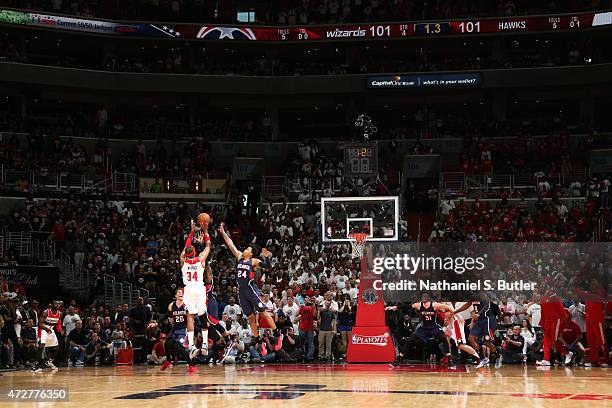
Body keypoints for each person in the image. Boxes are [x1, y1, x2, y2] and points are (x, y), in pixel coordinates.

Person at [219, 222, 276, 340]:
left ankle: (276, 333)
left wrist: (266, 257)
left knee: (263, 311)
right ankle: (257, 338)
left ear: (250, 253)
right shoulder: (240, 257)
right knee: (250, 317)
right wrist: (223, 232)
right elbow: (230, 244)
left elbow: (268, 267)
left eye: (248, 249)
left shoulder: (253, 261)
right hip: (241, 291)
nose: (245, 249)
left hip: (251, 288)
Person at [393, 293, 454, 366]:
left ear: (428, 297)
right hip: (423, 328)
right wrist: (396, 307)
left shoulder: (434, 305)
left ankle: (449, 359)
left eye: (425, 296)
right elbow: (407, 306)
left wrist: (458, 316)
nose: (423, 297)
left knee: (444, 338)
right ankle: (399, 358)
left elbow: (449, 307)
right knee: (410, 340)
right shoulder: (419, 305)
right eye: (422, 296)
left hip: (433, 327)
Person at [180, 220, 212, 354]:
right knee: (203, 316)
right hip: (199, 288)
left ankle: (192, 346)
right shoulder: (200, 260)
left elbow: (186, 246)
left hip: (188, 289)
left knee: (190, 317)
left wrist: (191, 231)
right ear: (194, 252)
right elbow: (208, 246)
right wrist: (205, 232)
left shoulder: (183, 260)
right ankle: (204, 344)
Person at [453, 299, 500, 368]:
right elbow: (467, 305)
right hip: (479, 320)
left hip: (488, 319)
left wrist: (478, 314)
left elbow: (486, 305)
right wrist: (455, 312)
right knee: (470, 338)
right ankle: (483, 359)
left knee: (487, 342)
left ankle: (498, 356)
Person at [36, 300, 63, 370]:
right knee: (41, 346)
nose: (57, 305)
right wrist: (46, 328)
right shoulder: (46, 312)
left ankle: (49, 361)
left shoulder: (59, 313)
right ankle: (38, 365)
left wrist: (60, 329)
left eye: (58, 304)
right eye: (56, 304)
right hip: (43, 329)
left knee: (56, 347)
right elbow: (39, 324)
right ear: (52, 304)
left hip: (51, 330)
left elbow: (58, 323)